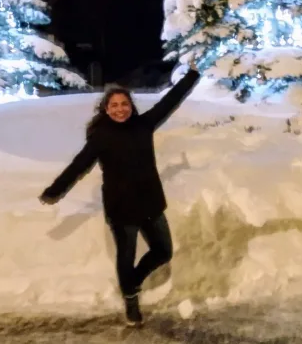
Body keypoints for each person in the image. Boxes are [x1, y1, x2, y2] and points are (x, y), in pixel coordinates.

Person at [39, 62, 202, 327]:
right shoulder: (101, 136)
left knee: (163, 251)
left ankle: (132, 283)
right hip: (121, 207)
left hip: (150, 202)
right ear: (106, 109)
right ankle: (131, 300)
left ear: (131, 106)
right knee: (126, 256)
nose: (120, 109)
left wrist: (191, 76)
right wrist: (55, 191)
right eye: (114, 105)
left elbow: (170, 101)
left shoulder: (144, 125)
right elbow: (78, 165)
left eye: (124, 104)